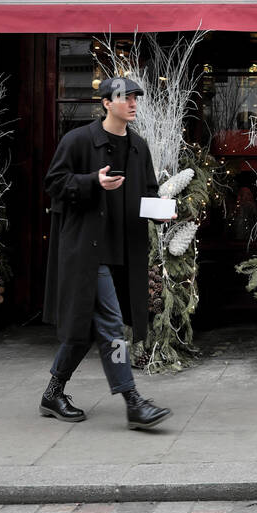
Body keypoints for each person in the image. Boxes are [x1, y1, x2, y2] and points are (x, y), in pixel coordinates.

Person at [39, 76, 175, 429]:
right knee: (113, 324)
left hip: (123, 249)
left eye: (135, 98)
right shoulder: (79, 141)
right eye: (124, 97)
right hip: (87, 250)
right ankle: (133, 401)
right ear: (105, 103)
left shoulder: (138, 146)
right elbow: (53, 183)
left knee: (85, 327)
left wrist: (161, 211)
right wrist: (91, 182)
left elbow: (147, 192)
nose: (132, 103)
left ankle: (53, 393)